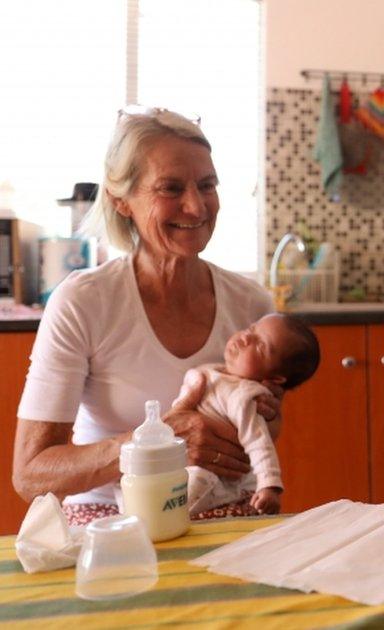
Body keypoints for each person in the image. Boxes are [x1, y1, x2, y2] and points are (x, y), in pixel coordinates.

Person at [12, 108, 283, 525]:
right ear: (122, 201)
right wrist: (157, 443)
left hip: (224, 505)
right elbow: (30, 475)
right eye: (171, 188)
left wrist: (261, 418)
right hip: (107, 514)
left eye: (207, 185)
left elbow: (259, 433)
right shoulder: (83, 302)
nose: (195, 206)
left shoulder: (253, 307)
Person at [185, 313, 320, 516]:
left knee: (187, 487)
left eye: (260, 346)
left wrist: (269, 486)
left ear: (275, 378)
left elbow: (259, 441)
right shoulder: (214, 372)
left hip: (211, 481)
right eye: (251, 329)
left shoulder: (244, 397)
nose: (245, 338)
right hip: (179, 461)